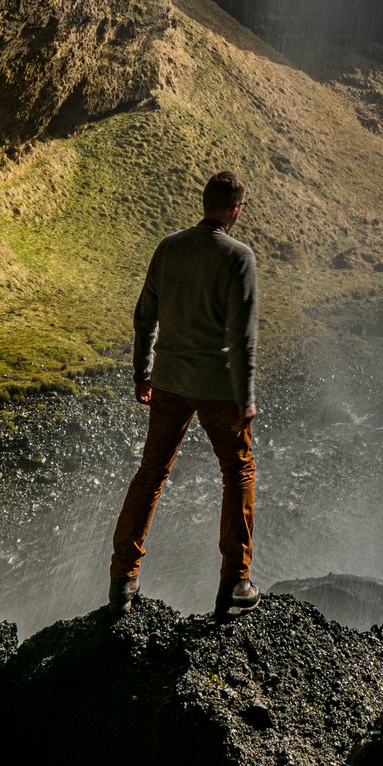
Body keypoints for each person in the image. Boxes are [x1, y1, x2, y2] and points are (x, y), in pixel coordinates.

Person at [107, 169, 260, 620]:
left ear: (204, 202)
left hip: (169, 380)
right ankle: (235, 581)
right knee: (238, 473)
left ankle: (123, 578)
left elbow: (144, 315)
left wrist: (142, 371)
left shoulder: (169, 247)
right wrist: (246, 395)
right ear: (234, 210)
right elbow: (244, 335)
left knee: (151, 473)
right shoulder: (239, 257)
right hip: (218, 389)